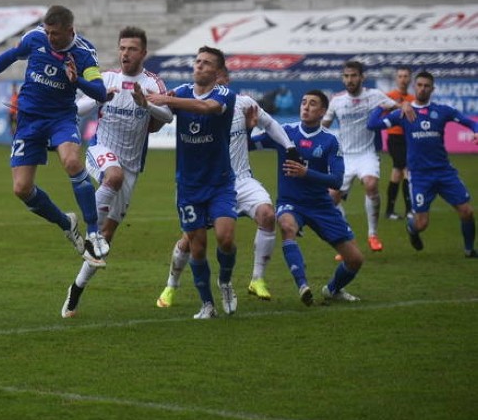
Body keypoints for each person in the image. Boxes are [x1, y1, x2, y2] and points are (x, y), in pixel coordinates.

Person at [0, 5, 110, 267]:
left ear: (70, 31)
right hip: (28, 119)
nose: (51, 38)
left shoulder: (85, 54)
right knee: (21, 189)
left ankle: (94, 231)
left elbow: (99, 92)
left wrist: (77, 82)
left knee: (73, 163)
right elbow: (8, 57)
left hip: (61, 118)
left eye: (56, 34)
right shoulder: (35, 38)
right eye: (48, 32)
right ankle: (66, 223)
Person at [156, 67, 297, 306]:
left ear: (226, 80)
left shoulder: (242, 103)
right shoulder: (194, 103)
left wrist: (290, 146)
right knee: (189, 241)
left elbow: (271, 124)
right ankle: (171, 285)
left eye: (219, 79)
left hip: (240, 180)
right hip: (209, 182)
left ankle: (257, 279)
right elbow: (167, 115)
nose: (215, 86)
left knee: (267, 214)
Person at [60, 26, 173, 318]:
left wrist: (144, 103)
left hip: (132, 165)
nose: (125, 53)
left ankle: (76, 289)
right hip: (101, 152)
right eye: (122, 48)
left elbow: (169, 115)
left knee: (106, 240)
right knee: (113, 176)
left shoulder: (153, 83)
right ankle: (86, 230)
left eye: (131, 49)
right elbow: (77, 109)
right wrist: (100, 98)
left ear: (143, 53)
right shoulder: (107, 78)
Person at [145, 46, 239, 320]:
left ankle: (225, 282)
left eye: (206, 63)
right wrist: (146, 104)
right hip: (188, 185)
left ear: (217, 72)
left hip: (219, 182)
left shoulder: (223, 94)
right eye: (197, 61)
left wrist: (167, 100)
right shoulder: (181, 92)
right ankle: (207, 305)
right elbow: (159, 121)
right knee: (197, 246)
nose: (199, 66)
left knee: (226, 237)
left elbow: (206, 108)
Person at [252, 90, 365, 305]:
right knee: (286, 226)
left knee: (355, 260)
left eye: (312, 104)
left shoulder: (330, 140)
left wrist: (306, 173)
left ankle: (332, 290)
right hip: (291, 203)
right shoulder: (284, 132)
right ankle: (303, 286)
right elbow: (250, 144)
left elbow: (337, 180)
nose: (306, 107)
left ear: (323, 111)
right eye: (303, 102)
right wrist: (246, 127)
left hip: (321, 206)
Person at [368, 71, 478, 257]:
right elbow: (372, 124)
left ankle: (469, 250)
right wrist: (384, 104)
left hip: (444, 172)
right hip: (420, 176)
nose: (422, 88)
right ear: (415, 86)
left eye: (426, 86)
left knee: (467, 211)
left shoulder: (442, 111)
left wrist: (476, 131)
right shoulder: (404, 113)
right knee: (421, 223)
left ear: (432, 89)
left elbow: (470, 123)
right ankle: (412, 229)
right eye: (419, 85)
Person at [323, 60, 411, 255]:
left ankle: (373, 234)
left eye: (354, 75)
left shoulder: (374, 96)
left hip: (366, 154)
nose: (350, 79)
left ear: (362, 77)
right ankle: (346, 236)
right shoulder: (337, 100)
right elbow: (324, 126)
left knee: (371, 184)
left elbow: (398, 106)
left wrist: (404, 105)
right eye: (346, 76)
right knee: (331, 199)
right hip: (344, 156)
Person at [384, 67, 414, 220]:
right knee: (405, 170)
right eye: (400, 76)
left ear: (410, 79)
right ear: (396, 79)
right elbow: (380, 114)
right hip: (395, 137)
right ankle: (409, 210)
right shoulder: (390, 97)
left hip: (409, 138)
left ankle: (390, 211)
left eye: (406, 76)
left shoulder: (412, 98)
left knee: (397, 172)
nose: (403, 79)